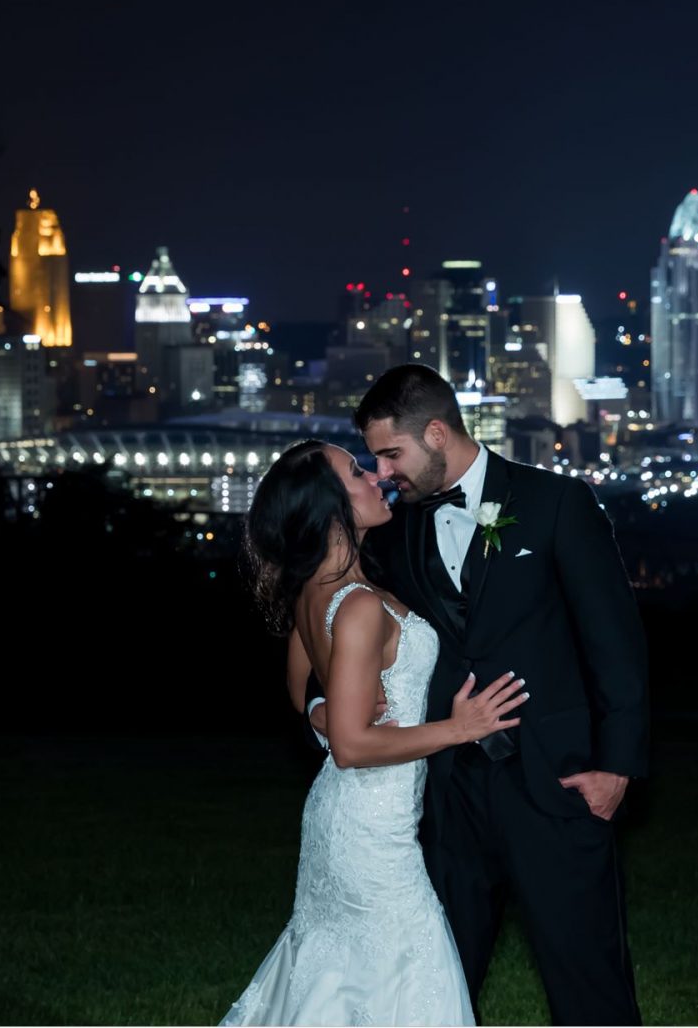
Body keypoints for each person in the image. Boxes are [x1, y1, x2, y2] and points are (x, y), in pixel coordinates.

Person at [309, 364, 648, 1025]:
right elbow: (330, 610)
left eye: (391, 453)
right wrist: (317, 708)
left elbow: (615, 641)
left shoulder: (557, 503)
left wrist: (617, 766)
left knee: (588, 976)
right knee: (436, 979)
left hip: (558, 779)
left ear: (436, 433)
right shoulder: (397, 528)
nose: (384, 472)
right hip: (444, 792)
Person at [219, 438, 527, 1027]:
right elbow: (356, 747)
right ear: (329, 506)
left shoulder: (316, 590)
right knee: (411, 971)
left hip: (345, 817)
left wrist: (327, 718)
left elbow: (299, 690)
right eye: (356, 472)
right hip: (370, 830)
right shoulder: (358, 606)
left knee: (349, 980)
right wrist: (458, 728)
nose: (374, 476)